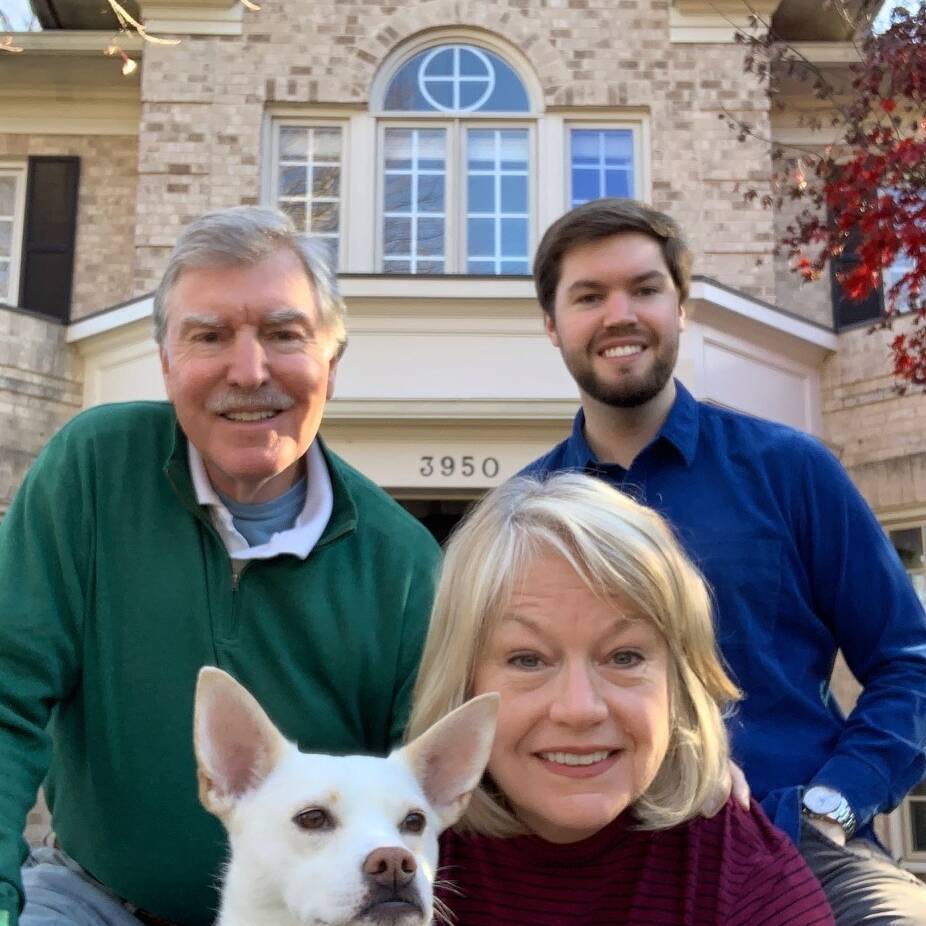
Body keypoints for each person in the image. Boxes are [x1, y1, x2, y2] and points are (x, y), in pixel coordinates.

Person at [0, 207, 441, 926]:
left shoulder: (404, 565)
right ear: (167, 361)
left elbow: (426, 801)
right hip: (91, 897)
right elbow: (4, 693)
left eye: (283, 334)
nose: (249, 370)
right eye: (209, 336)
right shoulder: (91, 470)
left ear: (331, 359)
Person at [523, 197, 926, 923]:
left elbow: (911, 659)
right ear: (551, 325)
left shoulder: (791, 470)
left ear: (682, 309)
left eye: (645, 289)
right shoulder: (526, 512)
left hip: (799, 844)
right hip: (605, 867)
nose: (621, 315)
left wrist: (833, 803)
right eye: (589, 296)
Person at [408, 472, 836, 925]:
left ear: (678, 682)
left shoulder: (740, 870)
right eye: (528, 660)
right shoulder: (392, 856)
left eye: (624, 656)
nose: (579, 708)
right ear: (463, 680)